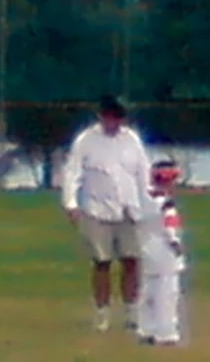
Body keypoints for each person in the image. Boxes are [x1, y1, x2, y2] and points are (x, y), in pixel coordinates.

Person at [62, 95, 151, 332]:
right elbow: (73, 172)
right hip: (97, 210)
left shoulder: (131, 139)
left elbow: (143, 173)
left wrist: (150, 202)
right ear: (102, 116)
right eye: (113, 117)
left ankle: (132, 312)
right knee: (102, 262)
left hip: (129, 210)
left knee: (131, 260)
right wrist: (71, 203)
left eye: (120, 118)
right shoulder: (86, 141)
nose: (117, 122)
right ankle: (102, 313)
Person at [136, 160, 186, 346]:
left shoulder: (144, 198)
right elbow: (169, 223)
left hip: (147, 247)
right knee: (167, 292)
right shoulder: (166, 202)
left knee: (148, 290)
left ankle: (146, 329)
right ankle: (166, 333)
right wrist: (175, 242)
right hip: (164, 251)